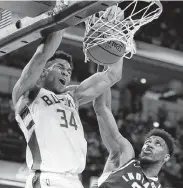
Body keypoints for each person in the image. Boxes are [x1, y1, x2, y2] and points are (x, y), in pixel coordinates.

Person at [12, 11, 123, 188]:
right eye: (60, 67)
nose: (66, 71)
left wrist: (114, 31)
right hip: (47, 178)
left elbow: (112, 75)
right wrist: (67, 13)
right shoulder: (27, 93)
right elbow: (42, 54)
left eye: (69, 70)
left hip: (73, 180)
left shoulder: (72, 96)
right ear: (43, 72)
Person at [93, 67, 175, 188]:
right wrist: (105, 68)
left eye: (158, 143)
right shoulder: (126, 157)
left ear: (166, 157)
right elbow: (101, 108)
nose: (149, 144)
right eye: (148, 141)